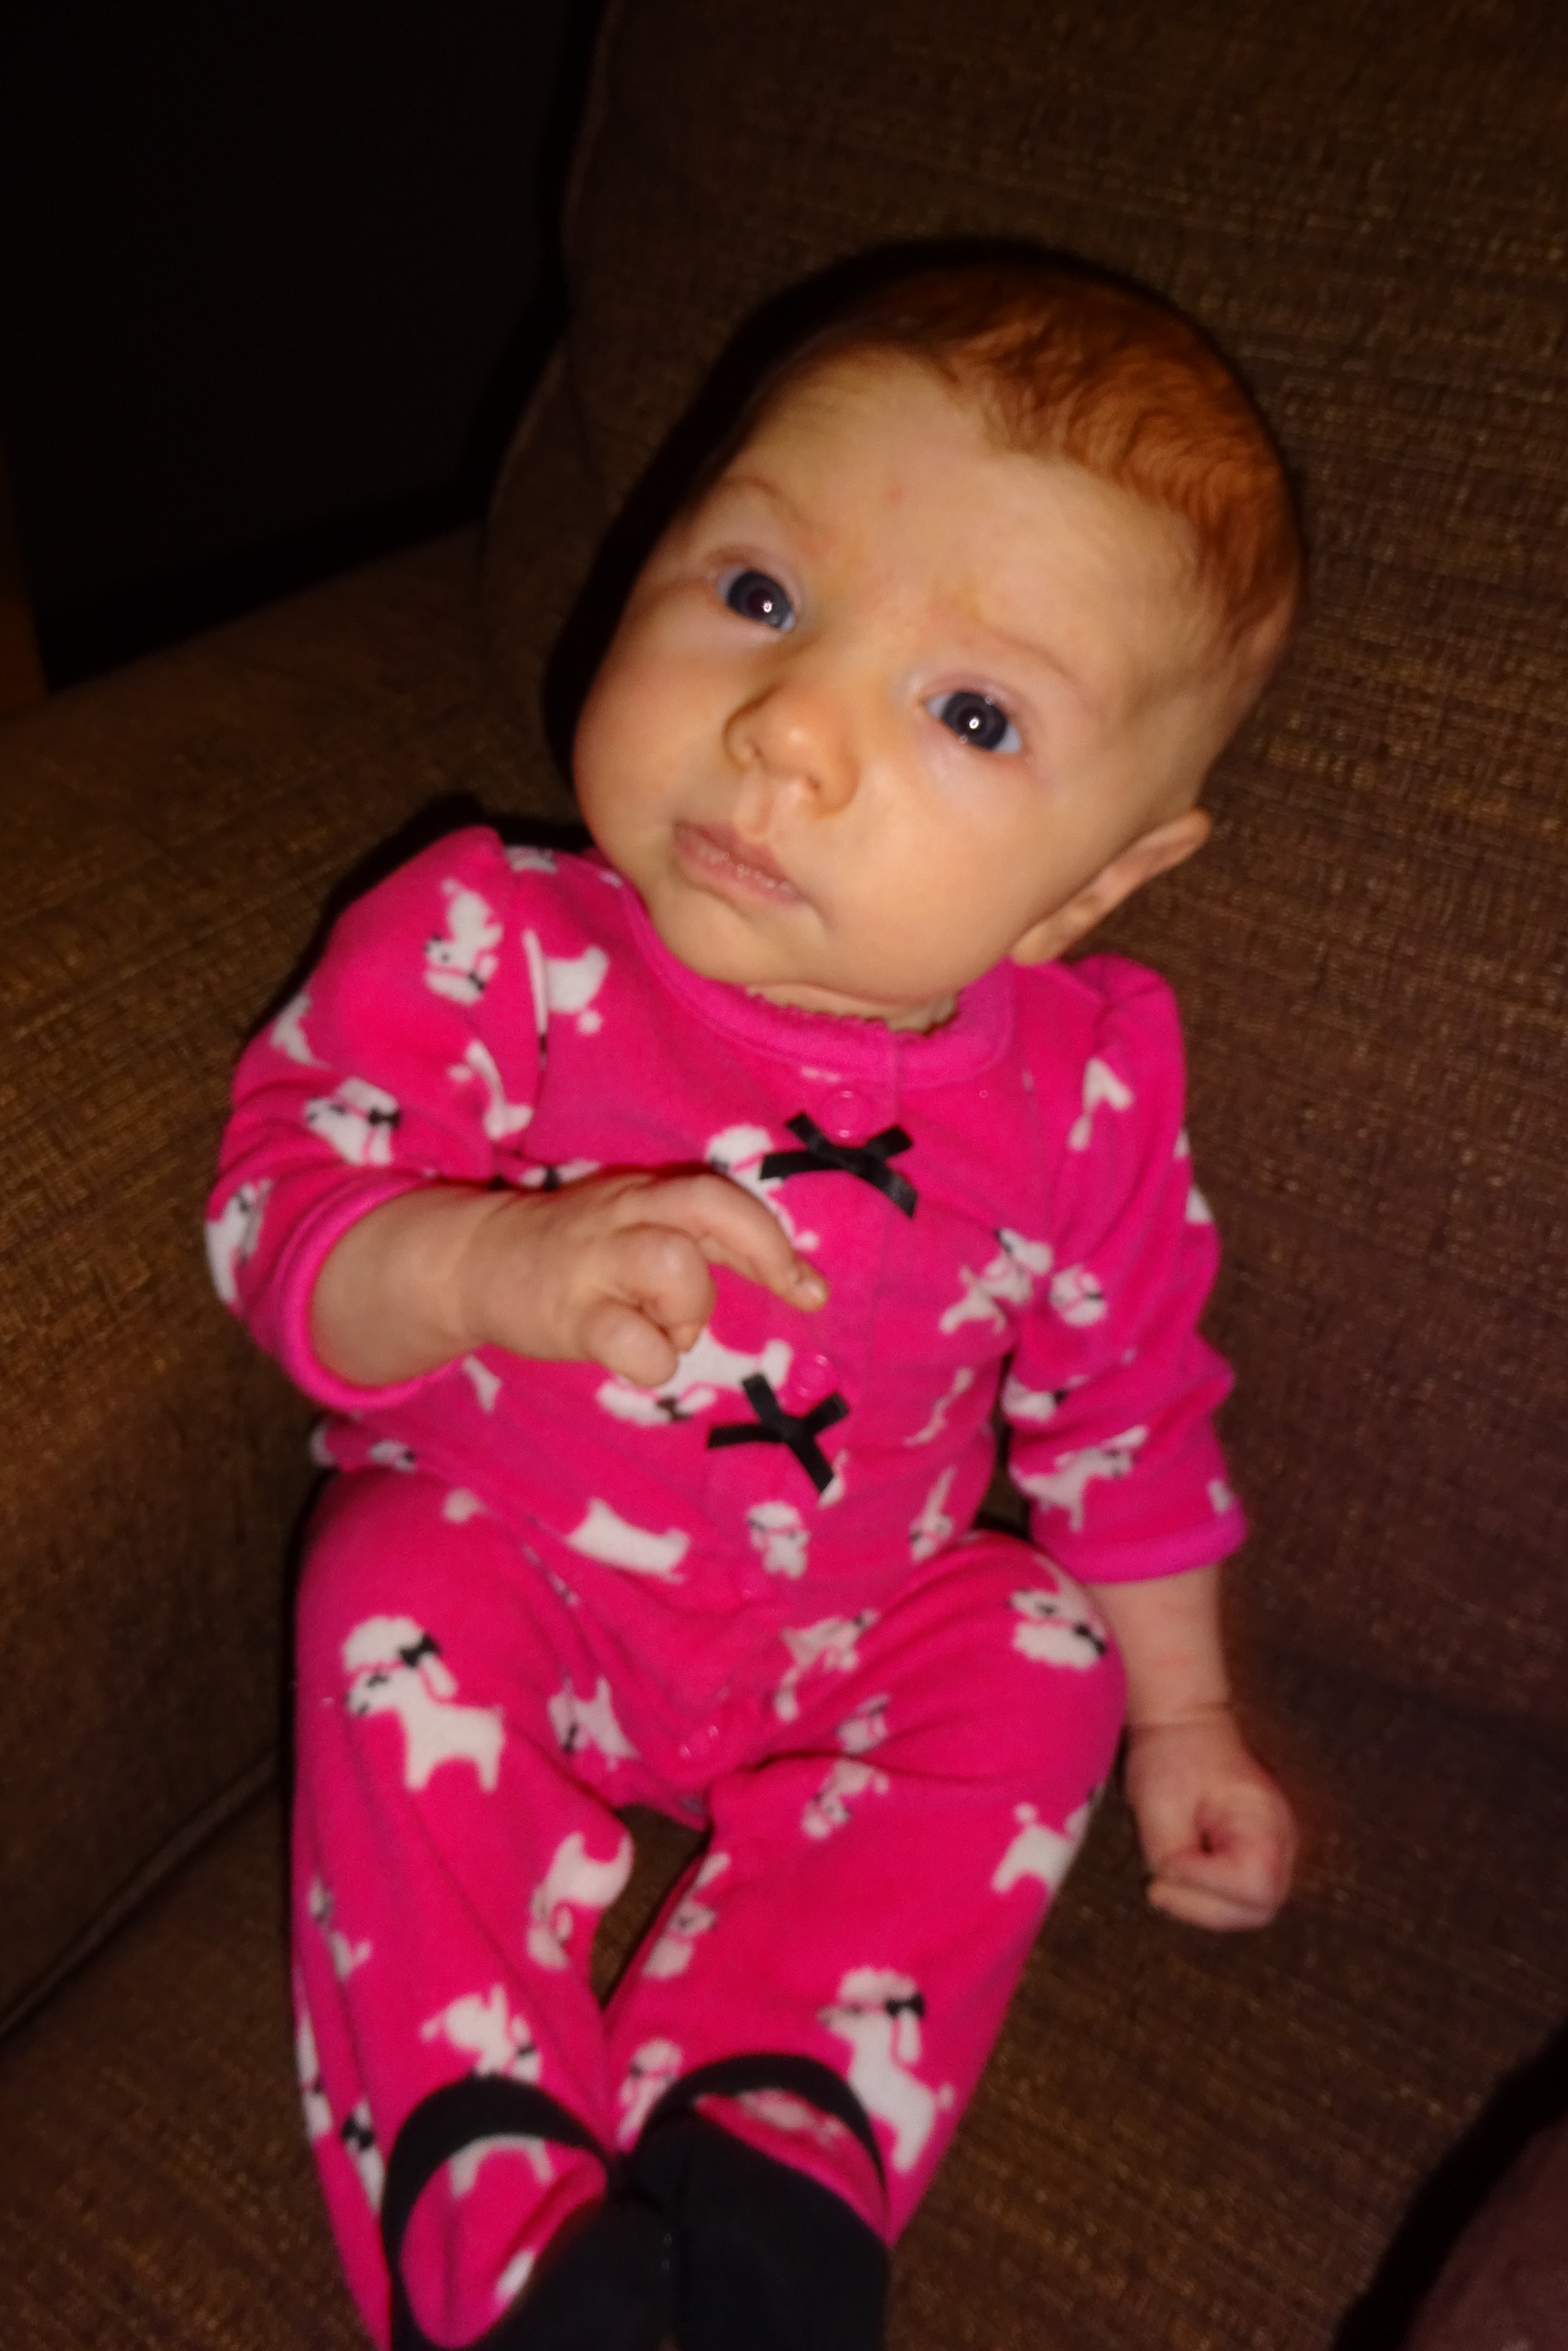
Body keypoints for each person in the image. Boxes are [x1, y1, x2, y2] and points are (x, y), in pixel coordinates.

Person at [208, 252, 1301, 2351]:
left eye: (970, 712)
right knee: (384, 1578)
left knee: (1040, 1649)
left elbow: (1127, 1411)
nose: (787, 728)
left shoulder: (1083, 1091)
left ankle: (770, 2134)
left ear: (1095, 884)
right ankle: (489, 2203)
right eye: (761, 592)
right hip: (515, 1568)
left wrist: (1185, 1715)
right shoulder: (487, 943)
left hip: (852, 1631)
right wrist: (483, 1262)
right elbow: (272, 1216)